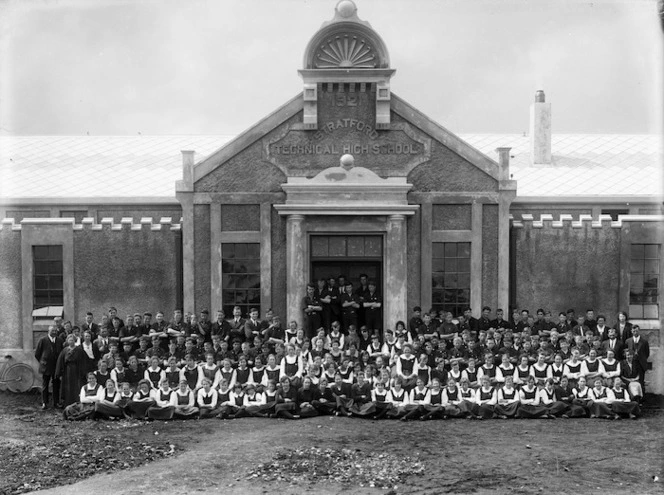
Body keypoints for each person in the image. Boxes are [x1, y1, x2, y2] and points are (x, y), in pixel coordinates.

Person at [35, 324, 64, 410]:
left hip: (56, 367)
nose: (54, 332)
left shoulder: (59, 340)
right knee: (45, 385)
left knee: (56, 385)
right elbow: (37, 354)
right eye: (52, 331)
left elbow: (61, 353)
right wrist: (43, 362)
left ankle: (56, 403)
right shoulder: (43, 340)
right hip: (46, 367)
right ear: (48, 331)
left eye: (55, 331)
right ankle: (45, 402)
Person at [55, 334, 86, 407]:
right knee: (68, 386)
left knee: (76, 386)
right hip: (67, 371)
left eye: (72, 340)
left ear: (75, 341)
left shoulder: (79, 350)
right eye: (69, 340)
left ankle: (76, 403)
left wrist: (83, 372)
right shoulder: (65, 350)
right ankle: (67, 403)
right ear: (67, 341)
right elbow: (60, 362)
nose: (71, 341)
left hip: (76, 371)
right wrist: (59, 373)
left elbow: (83, 362)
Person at [625, 325, 650, 395]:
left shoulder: (644, 341)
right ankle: (632, 396)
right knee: (631, 380)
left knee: (641, 381)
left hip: (641, 364)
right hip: (631, 364)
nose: (635, 332)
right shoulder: (628, 341)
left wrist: (642, 360)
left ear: (639, 331)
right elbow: (625, 351)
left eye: (636, 331)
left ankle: (642, 398)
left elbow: (647, 353)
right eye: (633, 331)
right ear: (631, 331)